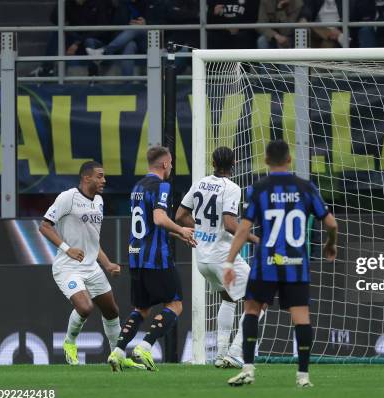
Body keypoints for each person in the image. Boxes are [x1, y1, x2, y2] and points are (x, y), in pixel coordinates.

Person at [223, 139, 338, 387]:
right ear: (289, 160)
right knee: (301, 317)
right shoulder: (306, 187)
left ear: (265, 161)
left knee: (252, 311)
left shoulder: (258, 189)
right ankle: (303, 376)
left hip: (267, 263)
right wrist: (330, 243)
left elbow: (243, 230)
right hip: (296, 265)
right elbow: (331, 223)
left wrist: (229, 262)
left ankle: (248, 369)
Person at [39, 161, 141, 368]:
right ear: (86, 178)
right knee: (85, 307)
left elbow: (93, 242)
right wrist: (68, 248)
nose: (104, 180)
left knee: (112, 311)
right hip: (67, 266)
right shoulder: (68, 197)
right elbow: (45, 226)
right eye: (100, 176)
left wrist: (107, 264)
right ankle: (69, 343)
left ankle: (116, 356)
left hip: (91, 267)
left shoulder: (99, 202)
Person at [107, 146, 196, 372]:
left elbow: (148, 224)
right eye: (171, 163)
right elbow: (158, 219)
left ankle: (117, 351)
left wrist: (176, 234)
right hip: (156, 258)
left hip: (136, 256)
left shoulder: (138, 186)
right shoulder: (162, 186)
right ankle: (146, 346)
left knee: (141, 309)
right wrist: (183, 230)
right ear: (165, 164)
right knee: (175, 304)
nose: (172, 167)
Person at [176, 146, 262, 369]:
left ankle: (221, 354)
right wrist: (255, 240)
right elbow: (230, 224)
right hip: (221, 256)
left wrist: (203, 229)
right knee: (259, 298)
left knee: (228, 298)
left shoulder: (199, 183)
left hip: (202, 259)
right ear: (233, 164)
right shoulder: (232, 187)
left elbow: (180, 215)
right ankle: (236, 352)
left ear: (213, 163)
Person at [299, 0, 377, 48]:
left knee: (327, 44)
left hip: (340, 29)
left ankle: (321, 75)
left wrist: (338, 30)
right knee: (303, 24)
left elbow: (351, 17)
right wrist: (304, 17)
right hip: (318, 29)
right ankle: (335, 35)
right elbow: (307, 10)